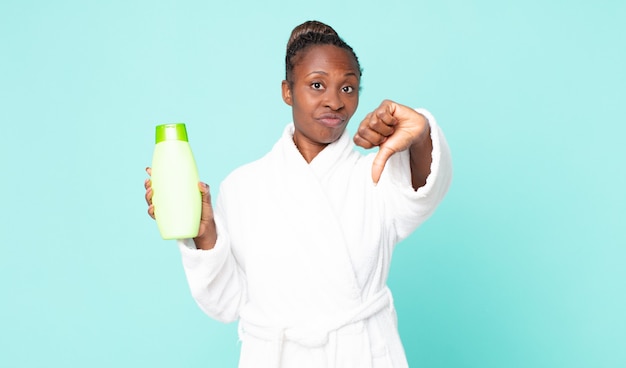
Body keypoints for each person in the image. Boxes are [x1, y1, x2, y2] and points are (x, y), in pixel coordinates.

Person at [144, 20, 452, 368]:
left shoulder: (376, 175)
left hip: (361, 355)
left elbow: (420, 193)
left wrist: (421, 134)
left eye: (348, 89)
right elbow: (227, 304)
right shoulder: (242, 186)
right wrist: (206, 235)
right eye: (317, 85)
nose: (334, 101)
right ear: (287, 91)